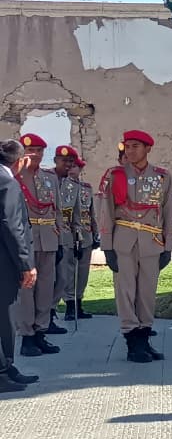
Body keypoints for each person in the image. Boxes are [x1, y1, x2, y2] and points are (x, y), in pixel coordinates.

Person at [97, 130, 172, 363]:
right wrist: (107, 247)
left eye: (135, 146)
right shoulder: (115, 174)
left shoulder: (162, 176)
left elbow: (168, 212)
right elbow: (106, 211)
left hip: (152, 241)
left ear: (148, 148)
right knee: (126, 292)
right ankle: (132, 342)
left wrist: (168, 246)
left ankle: (144, 337)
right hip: (124, 241)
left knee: (147, 293)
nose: (129, 151)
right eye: (127, 147)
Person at [14, 133, 64, 356]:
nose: (34, 154)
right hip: (25, 239)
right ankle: (26, 336)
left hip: (49, 238)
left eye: (38, 150)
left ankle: (41, 332)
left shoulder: (50, 178)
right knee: (26, 290)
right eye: (30, 150)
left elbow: (58, 211)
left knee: (46, 288)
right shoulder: (13, 177)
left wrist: (61, 240)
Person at [0, 139, 38, 391]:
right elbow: (11, 226)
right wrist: (26, 264)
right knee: (5, 318)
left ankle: (6, 366)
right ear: (20, 161)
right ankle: (2, 372)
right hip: (5, 263)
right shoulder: (8, 183)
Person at [50, 144, 83, 329]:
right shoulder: (44, 178)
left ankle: (51, 309)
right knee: (48, 278)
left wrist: (78, 237)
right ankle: (46, 315)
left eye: (71, 161)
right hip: (46, 234)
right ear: (55, 160)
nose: (68, 165)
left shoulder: (74, 186)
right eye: (64, 161)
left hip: (66, 236)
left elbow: (77, 214)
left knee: (63, 278)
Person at [65, 156, 98, 319]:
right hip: (68, 233)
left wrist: (95, 233)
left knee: (83, 271)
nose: (72, 169)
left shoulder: (86, 188)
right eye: (69, 166)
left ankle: (79, 304)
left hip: (85, 234)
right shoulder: (62, 186)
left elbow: (92, 213)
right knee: (69, 270)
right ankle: (70, 305)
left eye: (75, 167)